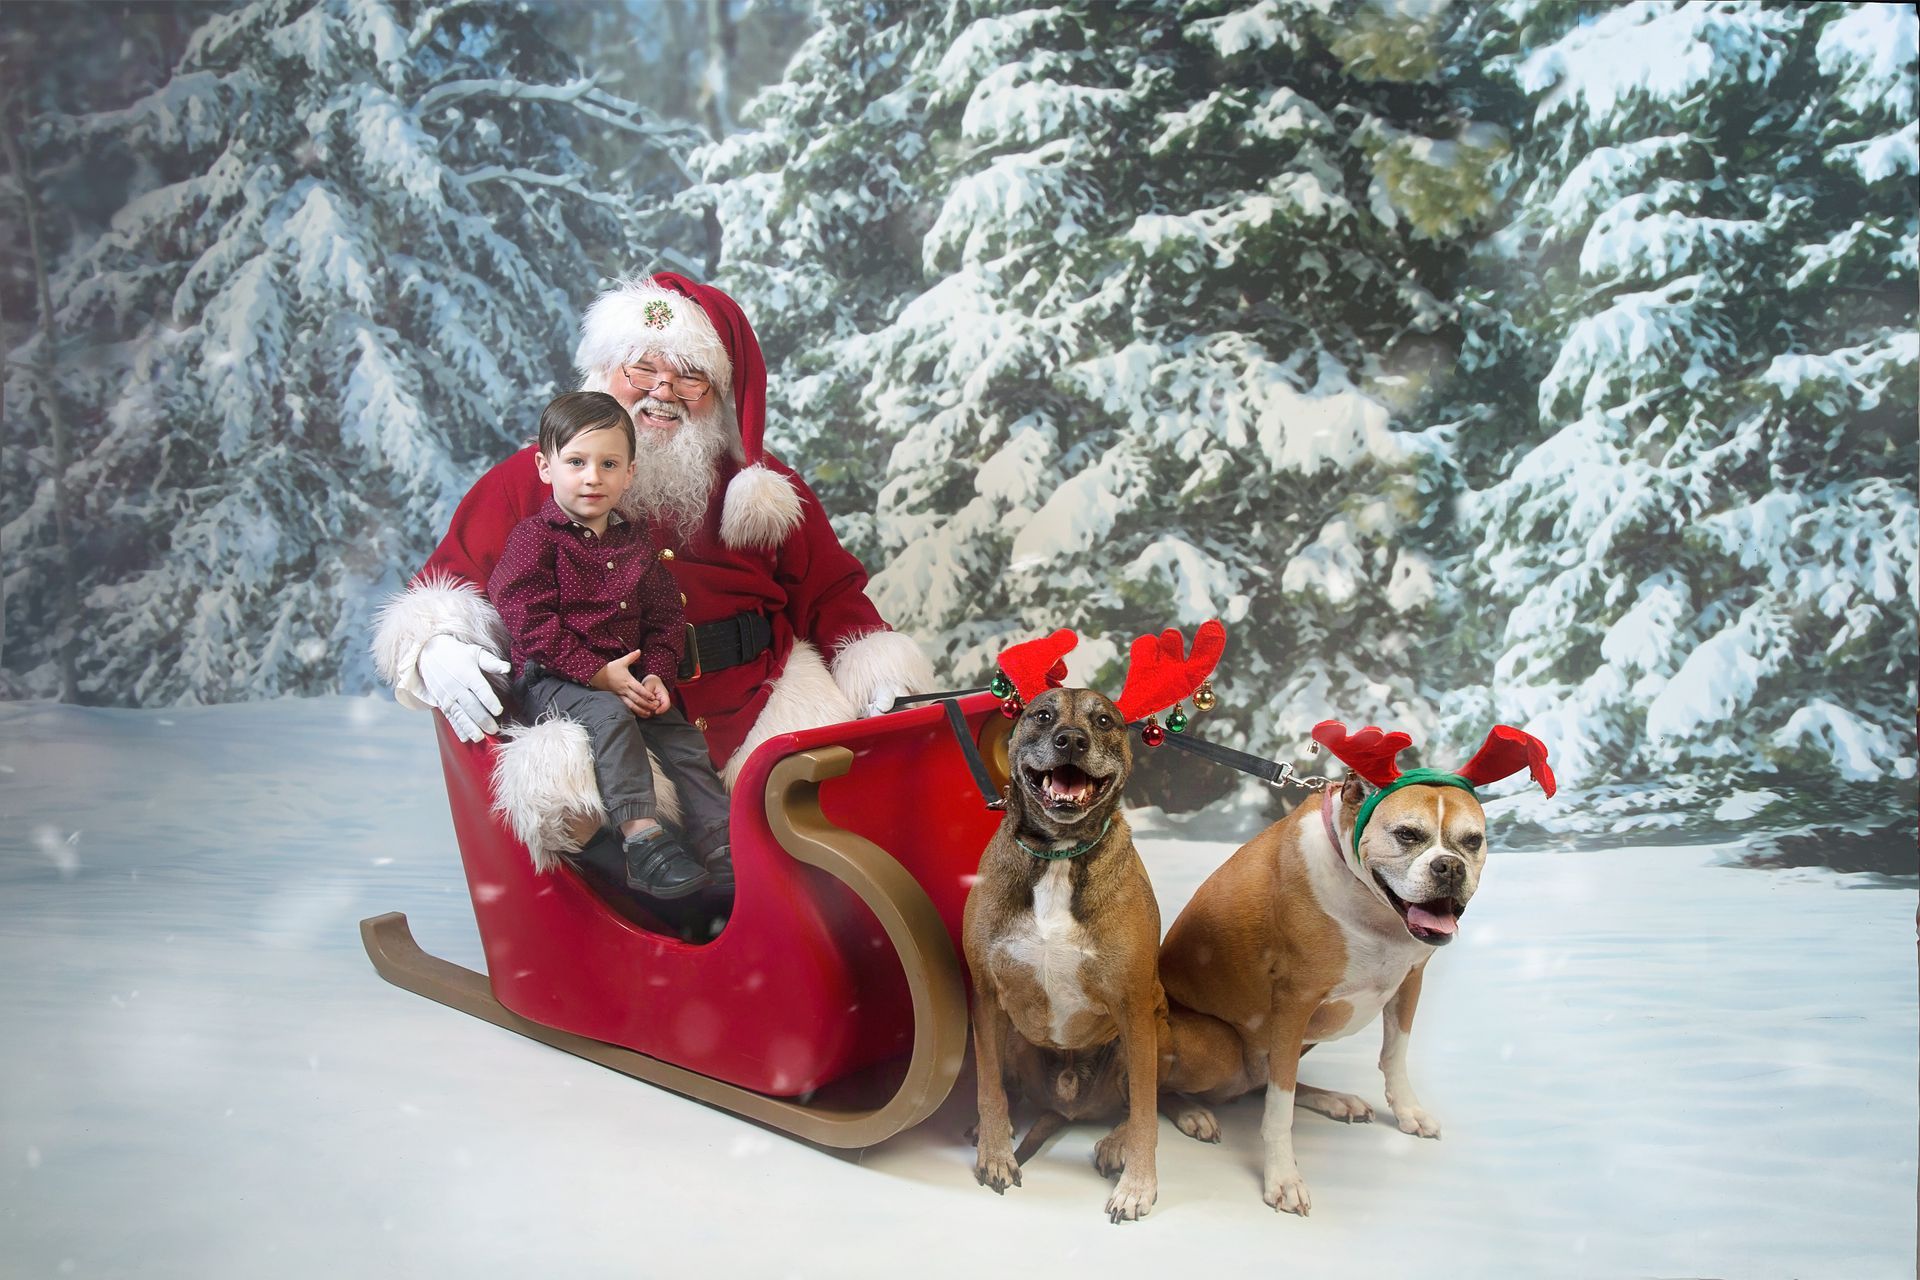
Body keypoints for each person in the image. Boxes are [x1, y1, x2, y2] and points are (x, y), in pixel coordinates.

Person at [370, 273, 935, 871]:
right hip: (606, 714)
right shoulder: (533, 478)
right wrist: (437, 643)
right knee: (580, 806)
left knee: (838, 831)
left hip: (761, 706)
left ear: (719, 393)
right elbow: (449, 581)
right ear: (605, 371)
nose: (663, 393)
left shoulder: (762, 485)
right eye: (642, 369)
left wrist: (877, 671)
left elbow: (829, 593)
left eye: (691, 377)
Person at [487, 391, 730, 900]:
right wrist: (596, 674)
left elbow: (664, 617)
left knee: (680, 735)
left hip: (628, 676)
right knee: (609, 714)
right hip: (553, 679)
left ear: (629, 474)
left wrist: (657, 673)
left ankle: (721, 841)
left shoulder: (634, 543)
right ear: (545, 467)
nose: (593, 477)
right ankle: (642, 842)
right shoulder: (536, 540)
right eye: (576, 462)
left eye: (609, 464)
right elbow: (528, 622)